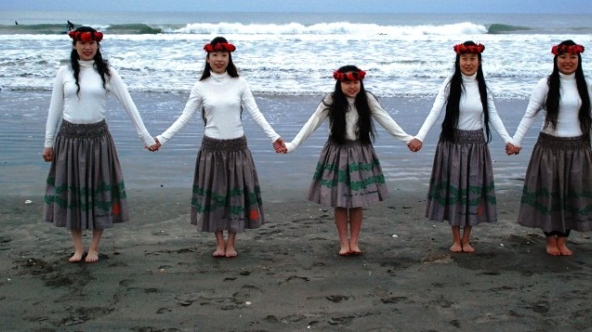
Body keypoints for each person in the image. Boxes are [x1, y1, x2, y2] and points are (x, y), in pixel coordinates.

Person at [148, 37, 285, 258]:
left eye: (223, 55)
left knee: (235, 197)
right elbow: (184, 117)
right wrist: (161, 139)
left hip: (237, 149)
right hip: (211, 150)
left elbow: (255, 113)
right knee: (215, 197)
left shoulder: (240, 83)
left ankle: (231, 243)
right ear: (208, 58)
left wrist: (274, 137)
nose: (219, 59)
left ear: (229, 58)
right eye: (215, 55)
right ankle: (219, 243)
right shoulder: (200, 86)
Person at [42, 26, 157, 263]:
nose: (87, 48)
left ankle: (94, 247)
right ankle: (78, 248)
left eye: (92, 44)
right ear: (75, 45)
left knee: (99, 193)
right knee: (73, 194)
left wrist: (145, 137)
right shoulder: (64, 72)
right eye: (83, 43)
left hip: (98, 141)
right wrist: (48, 143)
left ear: (97, 46)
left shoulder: (107, 73)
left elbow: (129, 104)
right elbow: (54, 109)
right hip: (69, 141)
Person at [283, 65, 413, 256]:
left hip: (361, 152)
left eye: (356, 82)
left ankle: (355, 242)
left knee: (357, 201)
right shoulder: (331, 99)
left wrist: (407, 139)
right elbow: (312, 123)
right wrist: (292, 145)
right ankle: (344, 243)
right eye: (347, 83)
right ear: (339, 83)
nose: (352, 86)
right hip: (337, 153)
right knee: (340, 201)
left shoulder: (367, 99)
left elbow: (386, 120)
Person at [407, 41, 513, 253]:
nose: (468, 63)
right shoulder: (450, 84)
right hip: (452, 145)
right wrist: (419, 137)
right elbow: (435, 111)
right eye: (464, 59)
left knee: (473, 192)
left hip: (476, 147)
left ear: (479, 62)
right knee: (454, 191)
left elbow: (493, 116)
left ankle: (467, 238)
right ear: (458, 61)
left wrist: (509, 140)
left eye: (473, 59)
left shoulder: (483, 87)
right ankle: (456, 239)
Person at [508, 40, 592, 257]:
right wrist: (515, 141)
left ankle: (563, 240)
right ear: (556, 59)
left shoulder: (586, 84)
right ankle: (550, 240)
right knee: (550, 196)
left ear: (578, 59)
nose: (568, 61)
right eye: (563, 57)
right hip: (549, 148)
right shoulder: (546, 84)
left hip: (579, 148)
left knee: (571, 196)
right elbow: (529, 114)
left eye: (573, 57)